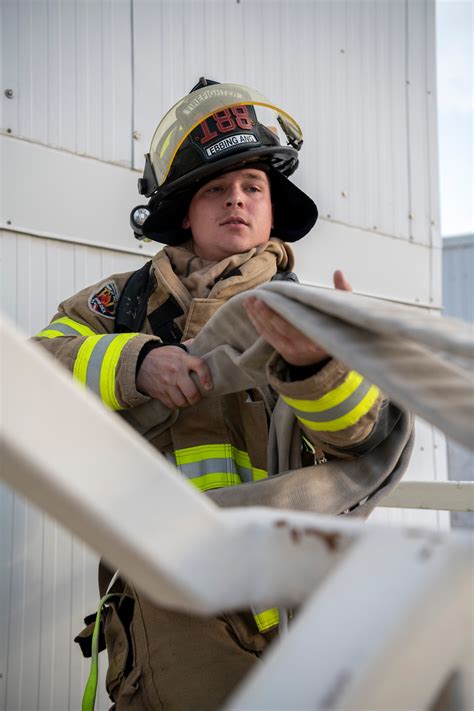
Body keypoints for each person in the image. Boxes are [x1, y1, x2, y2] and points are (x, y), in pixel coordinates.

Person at [33, 78, 396, 710]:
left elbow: (365, 441)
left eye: (253, 186)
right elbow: (29, 374)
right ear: (183, 211)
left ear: (272, 208)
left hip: (293, 594)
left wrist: (317, 367)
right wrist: (134, 361)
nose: (238, 200)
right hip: (169, 595)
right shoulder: (121, 307)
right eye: (216, 188)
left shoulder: (311, 314)